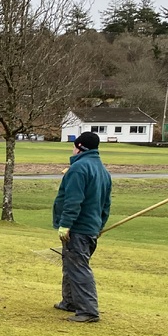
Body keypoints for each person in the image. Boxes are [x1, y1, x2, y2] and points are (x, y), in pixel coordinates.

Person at [52, 131, 112, 323]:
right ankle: (69, 301)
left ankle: (88, 311)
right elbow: (106, 205)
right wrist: (100, 225)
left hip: (78, 227)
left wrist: (65, 224)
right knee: (71, 264)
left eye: (74, 145)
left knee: (78, 268)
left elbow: (73, 201)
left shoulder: (78, 169)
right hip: (91, 227)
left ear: (79, 147)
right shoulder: (102, 170)